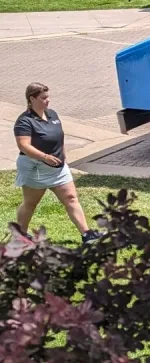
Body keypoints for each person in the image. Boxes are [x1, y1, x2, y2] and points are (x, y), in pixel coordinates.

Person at [13, 82, 103, 243]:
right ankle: (20, 235)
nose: (48, 100)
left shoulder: (52, 114)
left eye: (48, 96)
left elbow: (58, 136)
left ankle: (87, 234)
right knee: (30, 203)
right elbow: (23, 145)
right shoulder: (25, 121)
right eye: (43, 97)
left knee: (71, 198)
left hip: (58, 166)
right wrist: (44, 157)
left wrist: (63, 156)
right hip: (36, 167)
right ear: (32, 98)